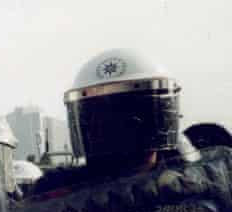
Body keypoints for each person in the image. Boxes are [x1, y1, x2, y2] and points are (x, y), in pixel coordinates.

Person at [33, 48, 182, 194]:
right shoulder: (61, 188)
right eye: (100, 119)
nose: (119, 131)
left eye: (129, 117)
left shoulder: (186, 182)